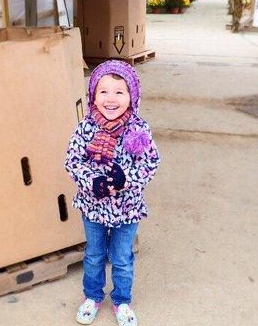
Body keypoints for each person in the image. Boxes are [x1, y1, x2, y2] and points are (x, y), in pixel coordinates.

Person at [65, 60, 161, 326]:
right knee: (94, 255)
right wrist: (90, 180)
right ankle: (93, 296)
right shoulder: (85, 129)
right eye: (103, 91)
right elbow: (73, 161)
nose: (111, 98)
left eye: (119, 92)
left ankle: (121, 300)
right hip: (93, 207)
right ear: (93, 97)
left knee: (121, 258)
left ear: (132, 96)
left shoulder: (138, 130)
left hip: (128, 209)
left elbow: (151, 163)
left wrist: (126, 178)